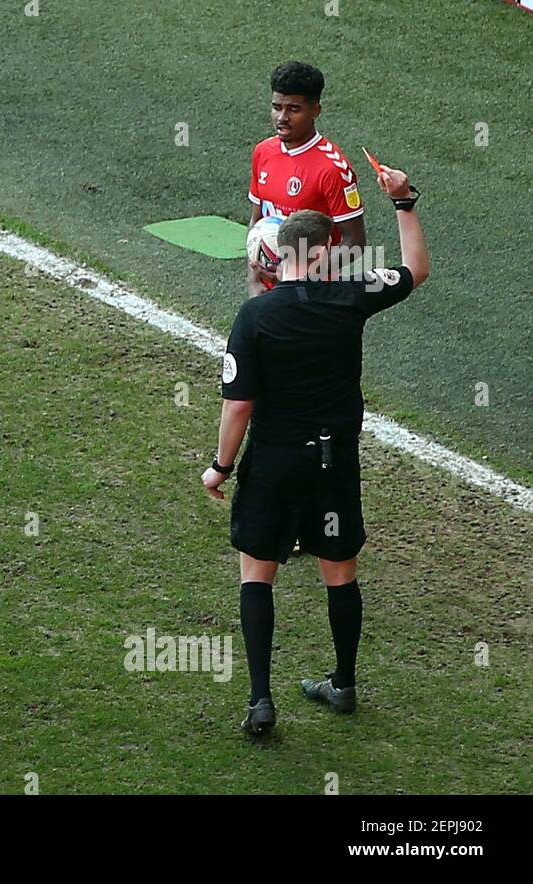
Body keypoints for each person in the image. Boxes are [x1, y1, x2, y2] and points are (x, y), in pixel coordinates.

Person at [204, 164, 429, 735]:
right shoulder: (352, 297)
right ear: (329, 247)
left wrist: (219, 467)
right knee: (339, 569)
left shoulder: (256, 314)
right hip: (335, 461)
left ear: (278, 252)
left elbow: (238, 406)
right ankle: (344, 683)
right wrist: (403, 202)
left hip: (276, 460)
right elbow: (415, 270)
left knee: (257, 572)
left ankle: (260, 700)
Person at [247, 61, 367, 297]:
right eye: (276, 107)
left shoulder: (333, 169)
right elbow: (257, 222)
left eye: (294, 109)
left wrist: (298, 279)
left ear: (316, 110)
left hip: (312, 294)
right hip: (267, 295)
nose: (282, 117)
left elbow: (354, 242)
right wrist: (253, 281)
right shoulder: (263, 152)